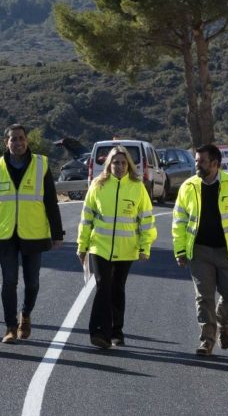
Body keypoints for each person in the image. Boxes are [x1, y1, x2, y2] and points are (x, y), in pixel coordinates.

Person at [172, 144, 228, 356]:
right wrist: (180, 250)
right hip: (199, 251)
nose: (197, 165)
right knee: (204, 297)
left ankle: (224, 322)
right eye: (196, 160)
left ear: (215, 163)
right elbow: (179, 220)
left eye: (201, 161)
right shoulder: (188, 187)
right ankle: (207, 340)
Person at [0, 123, 64, 344]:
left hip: (33, 233)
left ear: (27, 140)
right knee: (9, 282)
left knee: (33, 283)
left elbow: (51, 202)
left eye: (21, 138)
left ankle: (25, 315)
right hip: (5, 234)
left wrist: (57, 233)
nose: (18, 143)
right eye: (13, 139)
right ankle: (9, 327)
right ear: (6, 143)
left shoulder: (41, 164)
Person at [77, 146, 157, 349]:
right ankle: (98, 333)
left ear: (128, 165)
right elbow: (87, 217)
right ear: (109, 165)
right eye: (115, 162)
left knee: (117, 289)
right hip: (99, 246)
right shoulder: (98, 185)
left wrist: (144, 247)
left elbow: (146, 219)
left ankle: (116, 331)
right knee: (103, 285)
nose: (119, 166)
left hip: (126, 248)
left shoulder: (137, 187)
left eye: (123, 163)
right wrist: (82, 245)